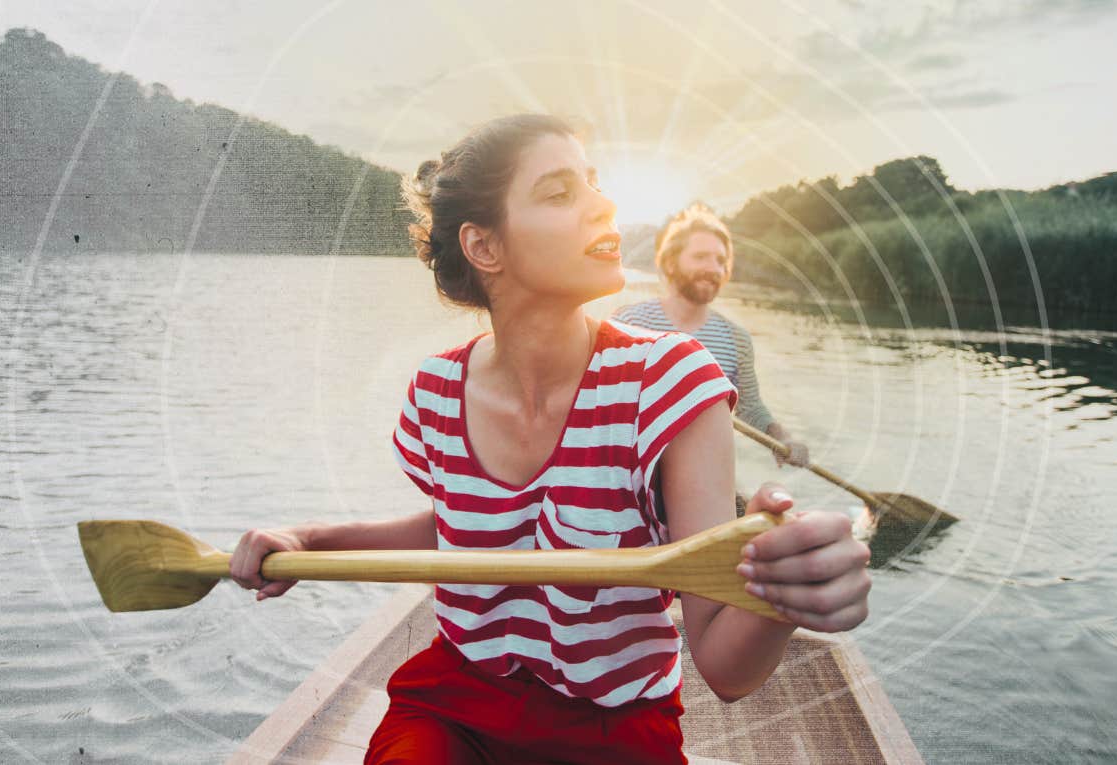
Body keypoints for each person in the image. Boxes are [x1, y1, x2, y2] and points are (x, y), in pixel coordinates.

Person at [229, 114, 871, 765]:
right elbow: (460, 528)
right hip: (456, 704)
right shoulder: (435, 390)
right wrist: (309, 539)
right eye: (561, 193)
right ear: (484, 247)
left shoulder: (676, 380)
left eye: (594, 184)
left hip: (615, 724)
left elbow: (726, 672)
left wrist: (781, 593)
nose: (604, 203)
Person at [611, 205, 810, 474]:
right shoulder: (628, 323)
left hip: (704, 478)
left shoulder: (736, 339)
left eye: (720, 260)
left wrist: (782, 438)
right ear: (671, 261)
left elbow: (750, 409)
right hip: (632, 476)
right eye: (701, 256)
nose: (713, 268)